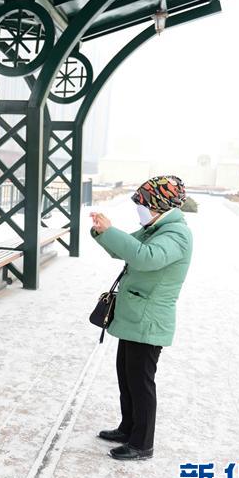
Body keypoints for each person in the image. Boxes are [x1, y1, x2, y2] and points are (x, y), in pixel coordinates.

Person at [90, 175, 192, 461]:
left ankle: (142, 443)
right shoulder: (156, 228)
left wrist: (111, 231)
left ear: (159, 204)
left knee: (141, 383)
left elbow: (145, 257)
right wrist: (102, 232)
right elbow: (123, 248)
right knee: (127, 376)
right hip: (136, 317)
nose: (140, 209)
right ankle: (128, 428)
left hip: (149, 320)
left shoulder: (176, 234)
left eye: (144, 204)